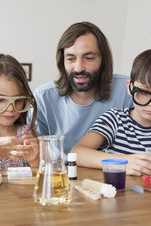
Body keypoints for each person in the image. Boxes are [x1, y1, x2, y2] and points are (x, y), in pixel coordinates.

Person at [29, 22, 132, 156]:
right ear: (62, 62)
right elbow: (34, 154)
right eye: (71, 59)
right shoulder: (43, 97)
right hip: (60, 174)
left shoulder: (128, 90)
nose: (79, 68)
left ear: (103, 60)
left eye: (89, 58)